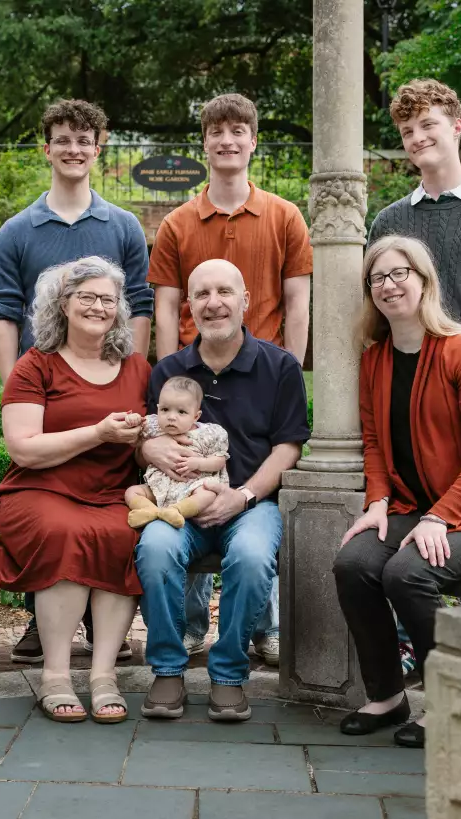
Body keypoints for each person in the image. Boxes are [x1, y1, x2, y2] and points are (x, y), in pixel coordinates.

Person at [332, 235, 461, 749]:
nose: (389, 286)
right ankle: (388, 695)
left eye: (399, 273)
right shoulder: (376, 360)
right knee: (354, 563)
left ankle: (455, 699)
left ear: (424, 279)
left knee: (406, 573)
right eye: (377, 278)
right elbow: (373, 442)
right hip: (415, 508)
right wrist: (376, 503)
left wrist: (441, 517)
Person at [147, 92, 312, 665]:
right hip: (195, 377)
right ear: (204, 143)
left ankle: (258, 628)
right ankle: (192, 627)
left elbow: (298, 300)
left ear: (253, 140)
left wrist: (285, 366)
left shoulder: (284, 216)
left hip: (257, 375)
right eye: (216, 131)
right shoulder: (178, 222)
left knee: (245, 502)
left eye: (238, 130)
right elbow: (167, 306)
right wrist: (175, 380)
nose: (227, 140)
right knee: (188, 484)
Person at [0, 98, 153, 664]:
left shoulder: (124, 226)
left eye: (85, 140)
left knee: (106, 504)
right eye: (63, 139)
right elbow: (4, 310)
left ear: (99, 148)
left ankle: (103, 633)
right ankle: (44, 623)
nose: (74, 149)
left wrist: (134, 377)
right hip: (48, 394)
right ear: (47, 148)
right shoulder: (17, 231)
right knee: (51, 506)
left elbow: (140, 307)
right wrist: (19, 384)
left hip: (109, 379)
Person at [136, 259, 309, 722]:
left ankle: (229, 674)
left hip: (250, 505)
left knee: (252, 558)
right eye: (202, 294)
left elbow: (288, 447)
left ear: (245, 300)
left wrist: (244, 496)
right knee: (154, 547)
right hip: (178, 504)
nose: (214, 303)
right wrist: (148, 451)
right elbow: (146, 440)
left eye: (225, 292)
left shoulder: (280, 367)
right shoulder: (168, 371)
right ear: (189, 304)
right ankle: (168, 669)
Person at [0, 257, 149, 723]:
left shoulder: (137, 368)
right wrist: (98, 433)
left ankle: (103, 676)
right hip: (39, 490)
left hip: (112, 491)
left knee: (124, 534)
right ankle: (55, 675)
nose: (98, 307)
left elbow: (145, 446)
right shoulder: (35, 366)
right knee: (64, 531)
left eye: (108, 300)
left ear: (119, 310)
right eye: (87, 297)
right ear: (63, 303)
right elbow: (24, 450)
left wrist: (147, 447)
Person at [368, 78, 461, 400]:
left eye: (427, 124)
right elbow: (374, 311)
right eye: (407, 131)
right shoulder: (388, 222)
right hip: (402, 389)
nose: (417, 138)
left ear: (456, 127)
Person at [124, 376, 229, 529]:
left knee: (208, 494)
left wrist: (198, 463)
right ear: (158, 408)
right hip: (159, 485)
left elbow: (220, 460)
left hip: (192, 485)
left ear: (196, 416)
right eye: (165, 409)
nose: (171, 417)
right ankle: (152, 511)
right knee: (132, 492)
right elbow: (136, 432)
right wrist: (133, 419)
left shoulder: (208, 433)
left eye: (181, 412)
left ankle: (177, 510)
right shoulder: (154, 427)